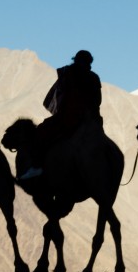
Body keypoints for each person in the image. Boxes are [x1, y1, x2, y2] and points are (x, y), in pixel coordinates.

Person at [21, 50, 102, 179]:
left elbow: (60, 96)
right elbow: (98, 101)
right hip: (90, 120)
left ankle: (37, 166)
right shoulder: (93, 77)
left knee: (42, 132)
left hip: (68, 118)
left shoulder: (68, 73)